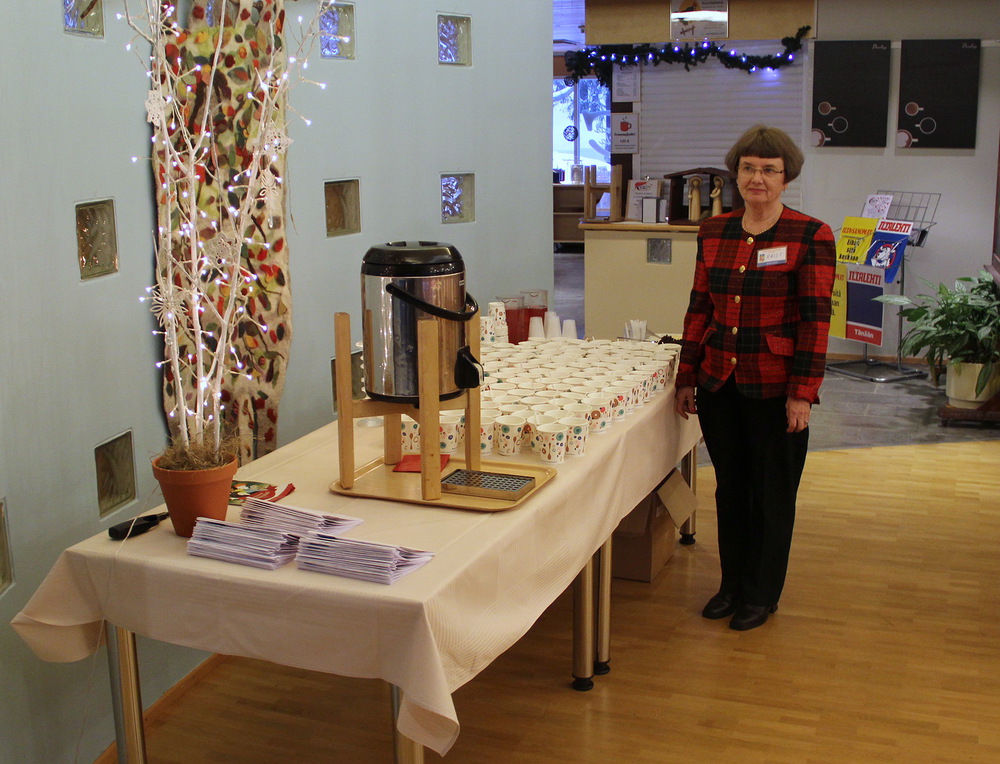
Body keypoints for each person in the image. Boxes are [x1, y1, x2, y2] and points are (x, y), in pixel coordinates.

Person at [674, 125, 836, 631]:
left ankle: (762, 594)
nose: (757, 178)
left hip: (776, 387)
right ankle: (732, 585)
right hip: (719, 382)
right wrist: (686, 375)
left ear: (787, 177)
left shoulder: (810, 235)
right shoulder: (714, 231)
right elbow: (700, 307)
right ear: (735, 174)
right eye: (748, 168)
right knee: (731, 489)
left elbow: (815, 321)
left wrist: (802, 394)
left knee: (771, 494)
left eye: (769, 169)